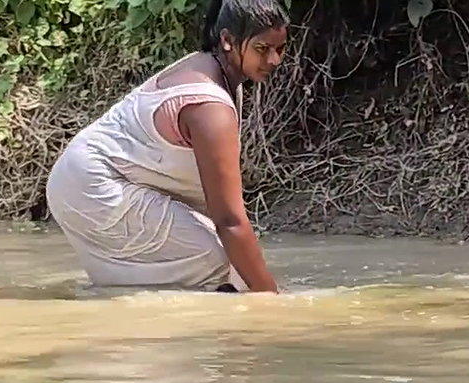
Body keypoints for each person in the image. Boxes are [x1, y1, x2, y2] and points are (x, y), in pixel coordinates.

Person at [45, 0, 288, 293]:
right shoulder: (211, 109)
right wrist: (273, 301)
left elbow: (224, 217)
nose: (274, 60)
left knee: (234, 271)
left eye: (280, 49)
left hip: (86, 178)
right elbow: (230, 220)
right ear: (227, 40)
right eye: (262, 49)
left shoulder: (217, 74)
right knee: (211, 261)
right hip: (92, 185)